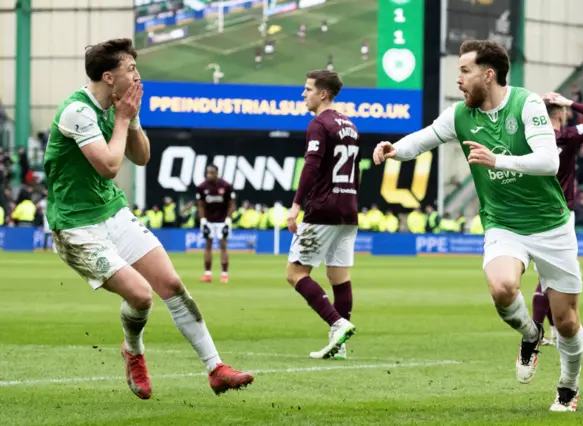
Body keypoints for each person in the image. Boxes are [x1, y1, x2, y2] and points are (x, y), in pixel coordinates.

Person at [372, 40, 583, 412]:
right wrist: (395, 149)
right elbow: (424, 139)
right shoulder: (459, 115)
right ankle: (531, 335)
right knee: (503, 288)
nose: (458, 79)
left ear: (489, 75)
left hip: (552, 225)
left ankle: (568, 385)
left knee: (566, 322)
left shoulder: (528, 103)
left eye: (465, 71)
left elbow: (549, 161)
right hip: (503, 223)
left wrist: (498, 160)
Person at [43, 38, 253, 400]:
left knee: (171, 284)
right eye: (131, 69)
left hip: (113, 212)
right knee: (141, 296)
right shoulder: (77, 112)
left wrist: (132, 117)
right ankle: (133, 352)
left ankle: (216, 369)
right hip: (77, 226)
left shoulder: (120, 106)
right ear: (108, 77)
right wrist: (122, 118)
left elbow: (141, 157)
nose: (138, 75)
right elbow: (110, 166)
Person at [286, 69, 359, 360]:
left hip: (323, 209)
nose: (303, 94)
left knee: (295, 273)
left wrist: (296, 205)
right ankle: (339, 345)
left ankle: (337, 323)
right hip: (348, 208)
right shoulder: (350, 125)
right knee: (338, 276)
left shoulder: (319, 123)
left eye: (307, 89)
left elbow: (312, 166)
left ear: (323, 94)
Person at [532, 92, 583, 346]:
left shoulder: (530, 139)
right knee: (554, 276)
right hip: (562, 212)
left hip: (535, 211)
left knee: (548, 275)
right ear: (561, 114)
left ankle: (550, 331)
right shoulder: (569, 136)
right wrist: (570, 102)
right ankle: (535, 332)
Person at [197, 165, 235, 283]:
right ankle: (208, 274)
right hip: (208, 221)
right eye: (207, 172)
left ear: (217, 173)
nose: (209, 175)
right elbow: (200, 204)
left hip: (222, 221)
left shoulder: (226, 186)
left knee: (223, 246)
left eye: (211, 172)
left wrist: (228, 220)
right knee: (208, 246)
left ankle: (224, 274)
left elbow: (231, 204)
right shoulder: (202, 187)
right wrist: (203, 220)